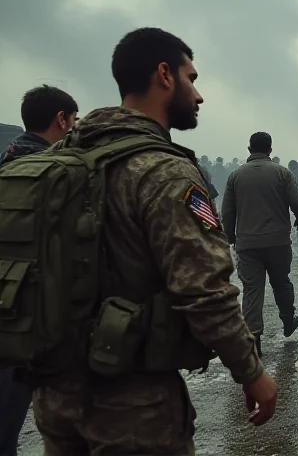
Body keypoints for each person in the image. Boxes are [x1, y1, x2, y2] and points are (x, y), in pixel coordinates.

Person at [28, 28, 277, 454]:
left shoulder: (60, 160)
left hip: (54, 393)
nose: (198, 96)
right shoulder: (162, 170)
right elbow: (203, 289)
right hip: (132, 401)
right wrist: (251, 370)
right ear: (164, 75)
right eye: (191, 78)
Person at [0, 85, 78, 456]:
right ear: (61, 119)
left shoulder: (6, 164)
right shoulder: (60, 176)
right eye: (73, 120)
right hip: (35, 320)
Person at [222, 132, 298, 355]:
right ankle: (288, 321)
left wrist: (230, 237)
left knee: (252, 290)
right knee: (281, 282)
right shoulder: (281, 173)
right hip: (278, 241)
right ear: (270, 149)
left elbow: (227, 212)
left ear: (249, 149)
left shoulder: (235, 176)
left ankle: (254, 341)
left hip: (247, 244)